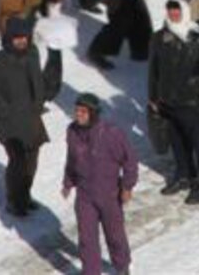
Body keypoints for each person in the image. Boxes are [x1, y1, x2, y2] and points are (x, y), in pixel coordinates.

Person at [149, 0, 199, 205]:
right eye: (170, 11)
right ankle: (184, 175)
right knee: (177, 139)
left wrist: (194, 82)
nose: (173, 14)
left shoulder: (198, 36)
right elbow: (154, 70)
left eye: (177, 11)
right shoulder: (159, 37)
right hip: (167, 100)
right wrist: (153, 97)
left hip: (191, 101)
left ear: (184, 11)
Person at [0, 17, 60, 218]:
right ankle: (14, 200)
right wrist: (4, 111)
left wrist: (41, 98)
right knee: (17, 162)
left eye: (24, 38)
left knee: (31, 161)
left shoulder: (32, 54)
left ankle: (25, 196)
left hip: (32, 119)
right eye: (17, 38)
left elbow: (37, 81)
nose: (22, 42)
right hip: (9, 123)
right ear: (9, 39)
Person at [63, 94, 138, 275]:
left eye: (83, 111)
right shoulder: (72, 131)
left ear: (93, 113)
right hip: (85, 194)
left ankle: (122, 266)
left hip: (109, 193)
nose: (78, 115)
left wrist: (127, 186)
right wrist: (68, 182)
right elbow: (71, 159)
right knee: (87, 238)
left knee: (114, 235)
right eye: (77, 110)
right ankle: (90, 271)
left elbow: (130, 161)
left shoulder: (111, 134)